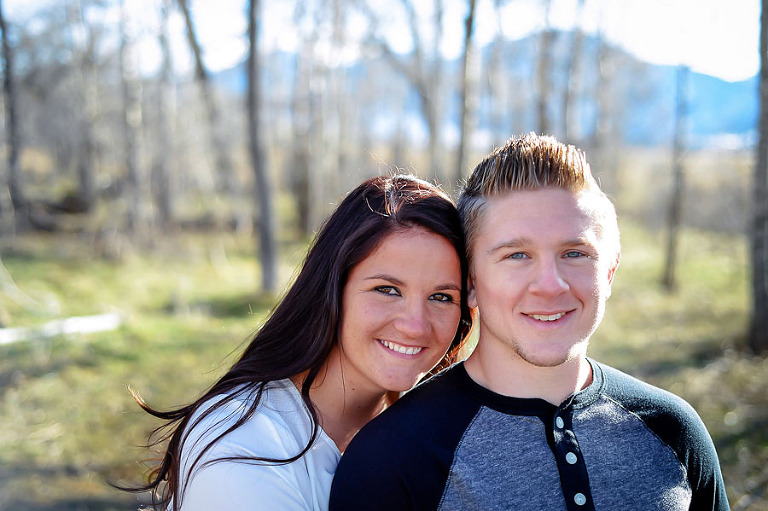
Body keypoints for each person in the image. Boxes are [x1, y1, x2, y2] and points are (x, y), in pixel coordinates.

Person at [329, 134, 729, 510]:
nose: (550, 286)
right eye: (517, 255)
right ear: (470, 284)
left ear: (609, 272)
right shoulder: (392, 458)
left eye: (575, 253)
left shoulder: (673, 431)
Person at [118, 174, 473, 511]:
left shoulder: (430, 434)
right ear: (332, 289)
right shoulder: (243, 446)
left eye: (442, 297)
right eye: (387, 290)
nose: (415, 325)